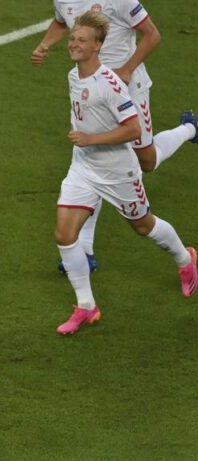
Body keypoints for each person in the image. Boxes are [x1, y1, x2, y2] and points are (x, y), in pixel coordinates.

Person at [54, 11, 197, 335]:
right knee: (64, 234)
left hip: (118, 171)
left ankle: (186, 259)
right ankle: (86, 307)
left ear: (98, 46)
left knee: (143, 226)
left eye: (81, 40)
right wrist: (84, 141)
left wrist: (92, 138)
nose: (74, 44)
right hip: (84, 166)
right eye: (73, 39)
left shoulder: (112, 85)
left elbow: (133, 129)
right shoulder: (73, 76)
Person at [31, 0, 198, 273]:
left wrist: (127, 70)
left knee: (148, 161)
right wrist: (45, 45)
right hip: (90, 90)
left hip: (127, 86)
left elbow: (152, 34)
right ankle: (84, 249)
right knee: (90, 160)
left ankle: (189, 129)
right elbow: (62, 22)